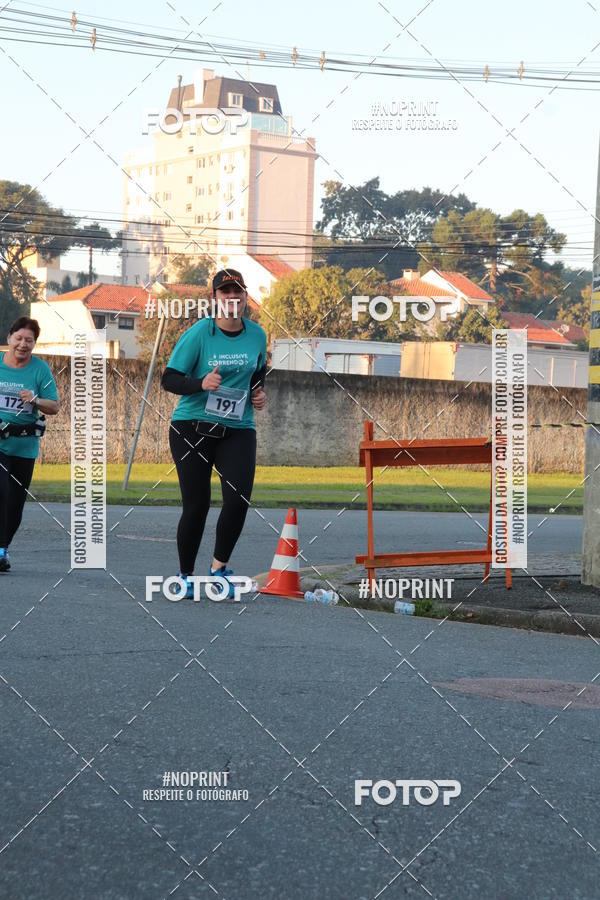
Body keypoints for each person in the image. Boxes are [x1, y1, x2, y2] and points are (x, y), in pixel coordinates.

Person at [161, 269, 267, 599]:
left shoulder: (257, 335)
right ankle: (186, 574)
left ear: (245, 299)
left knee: (238, 500)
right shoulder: (199, 334)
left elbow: (257, 373)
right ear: (215, 300)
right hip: (192, 427)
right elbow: (169, 379)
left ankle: (219, 567)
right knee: (198, 505)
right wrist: (200, 384)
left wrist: (258, 393)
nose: (232, 298)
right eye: (225, 293)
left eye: (238, 292)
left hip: (238, 428)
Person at [0, 317, 60, 572]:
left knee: (15, 505)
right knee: (1, 495)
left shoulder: (39, 369)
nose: (23, 345)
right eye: (19, 338)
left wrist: (35, 400)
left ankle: (3, 549)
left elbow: (54, 406)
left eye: (29, 340)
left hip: (25, 446)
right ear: (9, 339)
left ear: (34, 344)